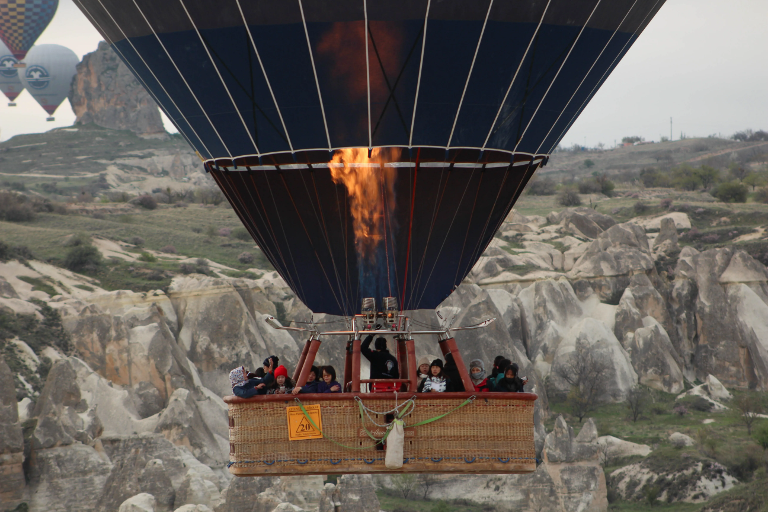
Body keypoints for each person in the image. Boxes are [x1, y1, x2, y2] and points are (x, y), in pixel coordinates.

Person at [361, 327, 399, 392]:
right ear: (385, 346)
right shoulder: (393, 359)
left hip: (376, 388)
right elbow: (397, 376)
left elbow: (363, 348)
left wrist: (371, 336)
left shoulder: (375, 355)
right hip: (390, 390)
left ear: (376, 346)